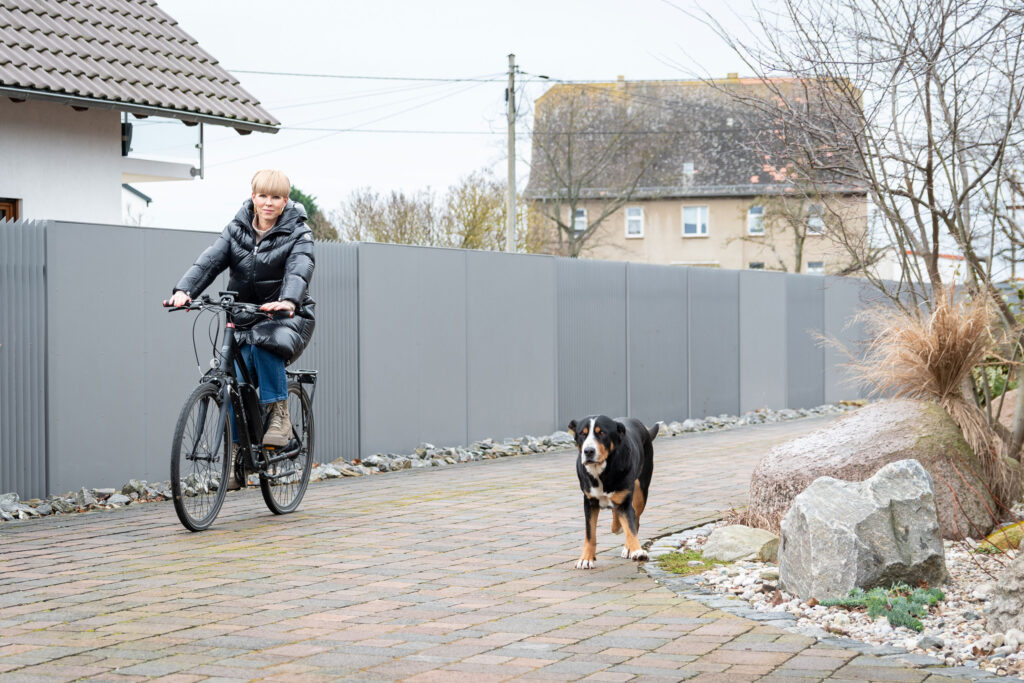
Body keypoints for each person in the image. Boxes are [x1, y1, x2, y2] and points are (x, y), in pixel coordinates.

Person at [165, 169, 315, 487]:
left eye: (276, 197)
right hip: (244, 316)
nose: (268, 203)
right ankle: (238, 459)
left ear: (285, 201)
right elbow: (210, 261)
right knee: (230, 380)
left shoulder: (298, 233)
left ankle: (280, 417)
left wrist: (288, 300)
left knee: (264, 343)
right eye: (263, 196)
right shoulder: (237, 229)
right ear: (253, 197)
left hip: (288, 317)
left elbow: (300, 267)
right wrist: (184, 290)